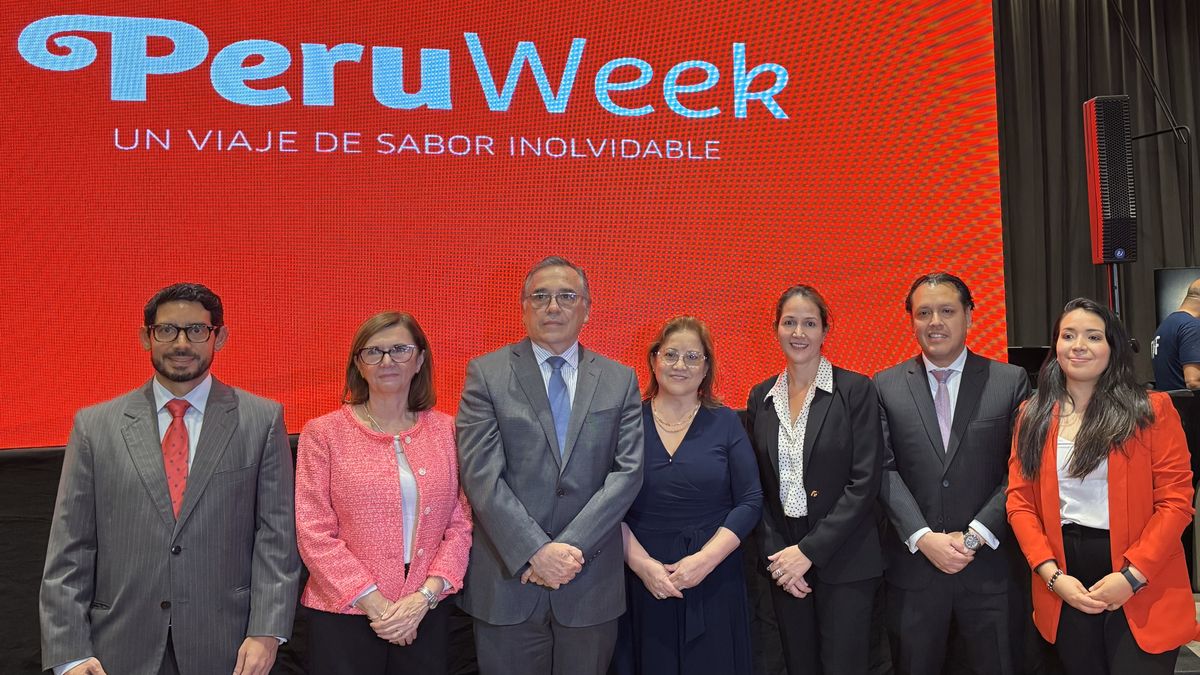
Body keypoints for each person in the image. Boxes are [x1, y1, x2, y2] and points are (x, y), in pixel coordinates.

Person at [40, 283, 301, 675]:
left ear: (220, 336)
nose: (182, 342)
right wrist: (69, 653)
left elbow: (276, 538)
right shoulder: (95, 426)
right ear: (146, 337)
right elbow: (70, 546)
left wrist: (268, 631)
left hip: (229, 647)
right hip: (117, 648)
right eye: (167, 330)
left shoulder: (260, 420)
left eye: (197, 330)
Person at [456, 255, 644, 675]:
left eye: (566, 296)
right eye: (540, 296)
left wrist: (567, 551)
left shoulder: (620, 379)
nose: (552, 306)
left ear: (587, 309)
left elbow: (627, 474)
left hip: (589, 582)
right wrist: (536, 551)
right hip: (509, 581)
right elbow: (480, 476)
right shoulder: (485, 374)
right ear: (523, 308)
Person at [1007, 298, 1200, 674]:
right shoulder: (1032, 416)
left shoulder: (1151, 410)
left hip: (1142, 576)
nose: (1079, 345)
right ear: (1056, 346)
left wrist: (1132, 576)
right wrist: (1052, 577)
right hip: (1064, 580)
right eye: (1068, 335)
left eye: (1093, 336)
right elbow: (1019, 503)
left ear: (1113, 346)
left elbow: (1176, 501)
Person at [295, 311, 472, 674]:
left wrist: (422, 600)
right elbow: (313, 531)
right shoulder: (323, 433)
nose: (387, 361)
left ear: (420, 359)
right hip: (344, 612)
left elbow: (461, 524)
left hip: (427, 613)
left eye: (400, 350)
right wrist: (376, 605)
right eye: (373, 352)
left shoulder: (448, 431)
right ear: (358, 365)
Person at [875, 272, 1030, 675]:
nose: (935, 322)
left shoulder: (1009, 381)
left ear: (970, 317)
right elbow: (884, 470)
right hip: (915, 574)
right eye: (924, 313)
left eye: (946, 311)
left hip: (989, 574)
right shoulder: (885, 385)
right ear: (912, 321)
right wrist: (923, 538)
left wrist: (974, 536)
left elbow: (1021, 469)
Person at [745, 285, 884, 674]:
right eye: (789, 322)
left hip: (845, 558)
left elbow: (864, 482)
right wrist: (780, 559)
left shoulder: (856, 390)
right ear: (776, 329)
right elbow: (759, 488)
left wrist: (808, 552)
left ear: (825, 330)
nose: (798, 333)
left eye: (809, 323)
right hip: (785, 563)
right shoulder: (761, 398)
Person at [613, 316, 763, 674]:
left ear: (707, 367)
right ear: (654, 360)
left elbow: (750, 499)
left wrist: (705, 560)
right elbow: (606, 504)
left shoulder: (726, 422)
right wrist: (642, 566)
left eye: (693, 357)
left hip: (714, 580)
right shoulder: (626, 422)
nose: (681, 365)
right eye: (671, 355)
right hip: (643, 582)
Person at [1150, 277, 1200, 390]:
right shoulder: (1192, 327)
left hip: (1170, 404)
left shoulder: (1165, 325)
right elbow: (1193, 382)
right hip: (1190, 406)